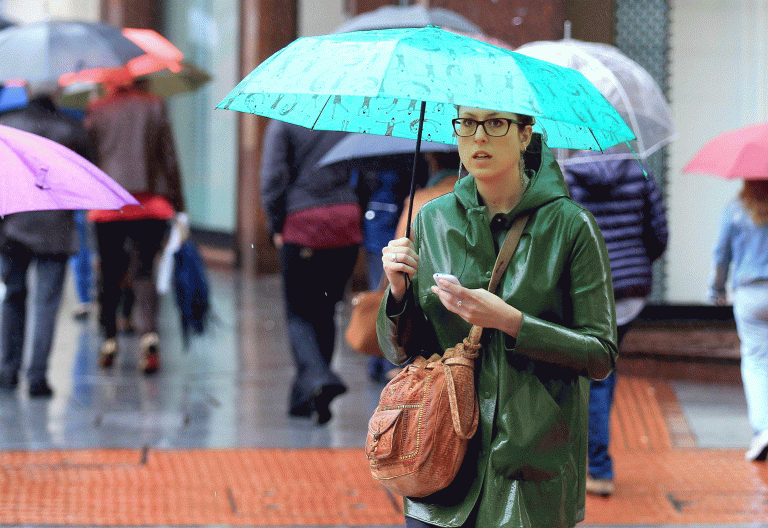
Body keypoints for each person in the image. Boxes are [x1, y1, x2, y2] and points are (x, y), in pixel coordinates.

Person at [378, 107, 617, 528]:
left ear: (525, 134)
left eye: (495, 123)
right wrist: (397, 293)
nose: (478, 137)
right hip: (439, 453)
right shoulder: (431, 219)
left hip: (527, 466)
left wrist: (512, 322)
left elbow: (599, 355)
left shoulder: (572, 227)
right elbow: (400, 351)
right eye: (466, 123)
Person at [563, 156, 668, 496]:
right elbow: (659, 233)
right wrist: (634, 264)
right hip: (631, 289)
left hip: (588, 286)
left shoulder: (567, 177)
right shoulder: (639, 172)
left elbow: (562, 236)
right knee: (605, 366)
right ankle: (595, 461)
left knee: (596, 375)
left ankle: (598, 468)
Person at [261, 119, 362, 425]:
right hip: (346, 224)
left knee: (299, 313)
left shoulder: (285, 121)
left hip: (303, 224)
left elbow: (271, 178)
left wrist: (276, 222)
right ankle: (306, 399)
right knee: (325, 310)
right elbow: (365, 172)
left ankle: (319, 377)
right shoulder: (346, 116)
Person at [0, 81, 96, 397]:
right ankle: (38, 376)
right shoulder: (73, 129)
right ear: (56, 92)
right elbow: (88, 176)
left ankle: (6, 371)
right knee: (47, 303)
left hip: (13, 226)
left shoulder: (7, 124)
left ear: (26, 87)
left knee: (14, 296)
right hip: (56, 227)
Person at [84, 78, 185, 375]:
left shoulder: (97, 110)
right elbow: (169, 158)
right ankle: (149, 335)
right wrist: (179, 205)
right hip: (150, 204)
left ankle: (109, 340)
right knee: (144, 272)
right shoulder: (155, 106)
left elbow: (90, 160)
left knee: (110, 272)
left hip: (108, 206)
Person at [710, 179, 768, 462]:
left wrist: (717, 289)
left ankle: (763, 429)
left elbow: (721, 254)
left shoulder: (735, 208)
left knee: (757, 361)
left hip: (750, 293)